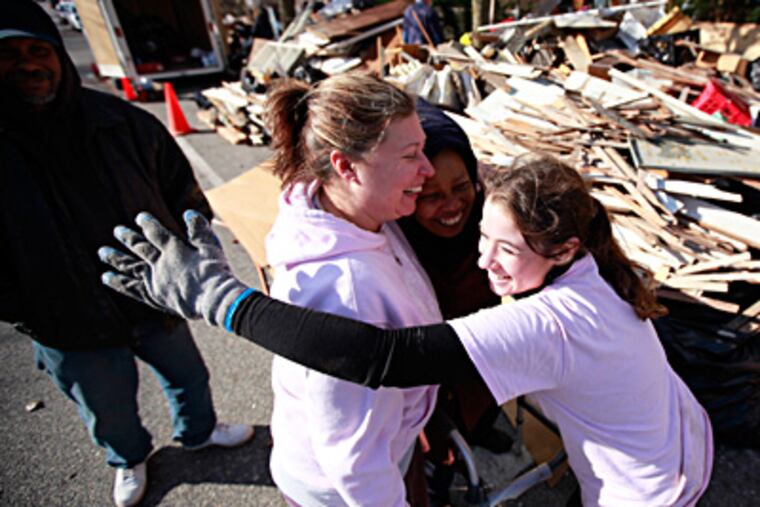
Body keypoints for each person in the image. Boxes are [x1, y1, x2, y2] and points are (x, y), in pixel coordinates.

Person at [100, 155, 714, 506]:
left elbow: (382, 356)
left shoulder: (546, 323)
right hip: (679, 433)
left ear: (563, 246)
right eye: (483, 239)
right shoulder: (593, 267)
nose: (484, 263)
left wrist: (224, 301)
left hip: (650, 489)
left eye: (506, 250)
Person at [0, 3, 253, 507]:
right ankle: (128, 458)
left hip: (153, 300)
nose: (28, 63)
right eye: (8, 55)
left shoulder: (126, 124)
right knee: (106, 407)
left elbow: (185, 197)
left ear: (59, 57)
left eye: (38, 50)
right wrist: (25, 311)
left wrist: (190, 270)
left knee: (189, 376)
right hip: (66, 319)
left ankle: (199, 431)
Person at [259, 73, 441, 506]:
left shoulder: (342, 210)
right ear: (345, 165)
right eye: (411, 154)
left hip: (382, 447)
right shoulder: (347, 297)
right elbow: (352, 458)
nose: (428, 170)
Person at [401, 99, 509, 501]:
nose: (451, 207)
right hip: (424, 377)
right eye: (430, 196)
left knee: (481, 411)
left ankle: (480, 431)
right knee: (435, 454)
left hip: (480, 359)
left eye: (461, 187)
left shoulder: (493, 217)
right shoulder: (393, 243)